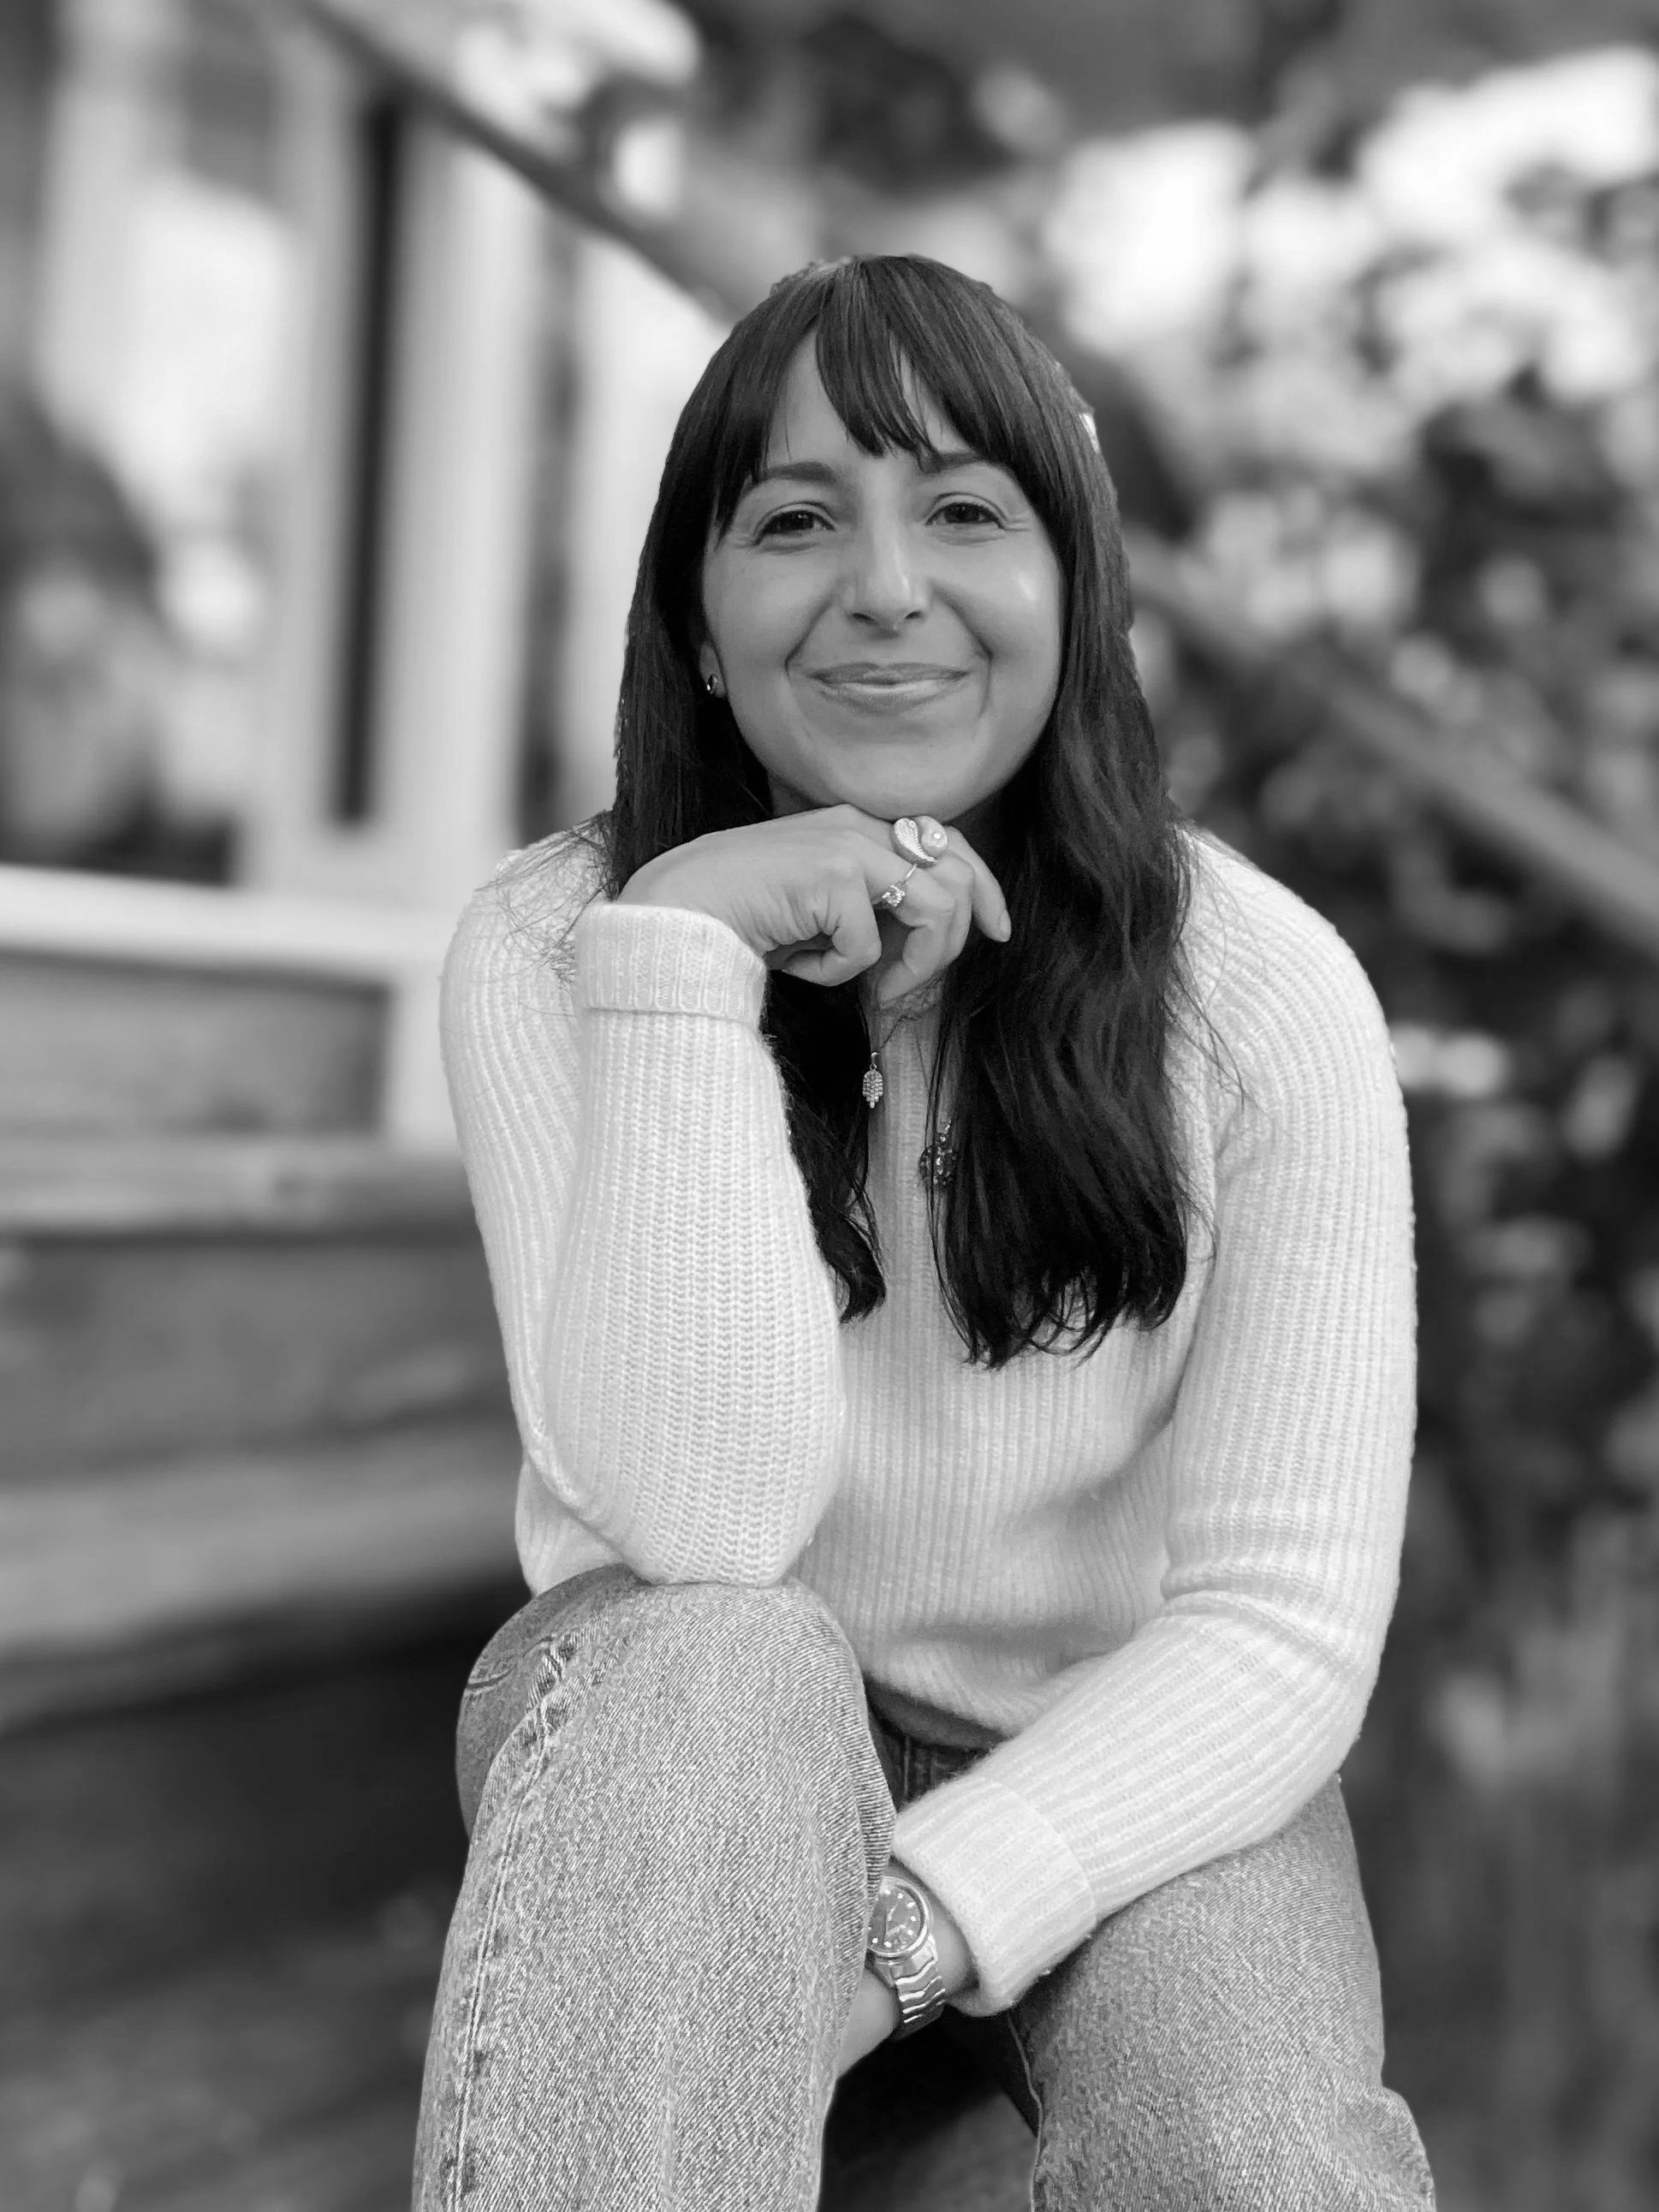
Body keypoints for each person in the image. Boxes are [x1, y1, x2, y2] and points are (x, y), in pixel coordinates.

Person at [413, 253, 1436, 2209]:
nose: (884, 585)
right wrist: (685, 952)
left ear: (1074, 598)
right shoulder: (559, 951)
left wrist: (914, 1927)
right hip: (687, 1733)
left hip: (1132, 1732)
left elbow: (1282, 1625)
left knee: (1260, 2147)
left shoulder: (1260, 991)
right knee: (706, 1657)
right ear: (704, 631)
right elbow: (703, 1536)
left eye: (963, 509)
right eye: (796, 520)